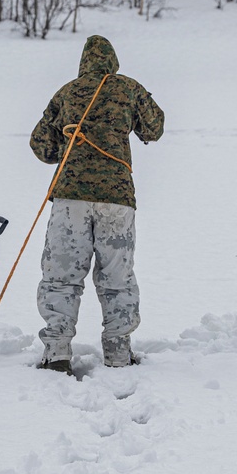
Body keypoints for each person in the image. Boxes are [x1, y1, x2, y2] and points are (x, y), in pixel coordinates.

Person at [29, 34, 164, 375]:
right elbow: (155, 128)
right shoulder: (129, 88)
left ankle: (56, 352)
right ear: (112, 63)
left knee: (60, 276)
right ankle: (118, 352)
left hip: (69, 197)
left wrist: (73, 148)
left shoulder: (68, 92)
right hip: (117, 200)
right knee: (117, 277)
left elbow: (41, 145)